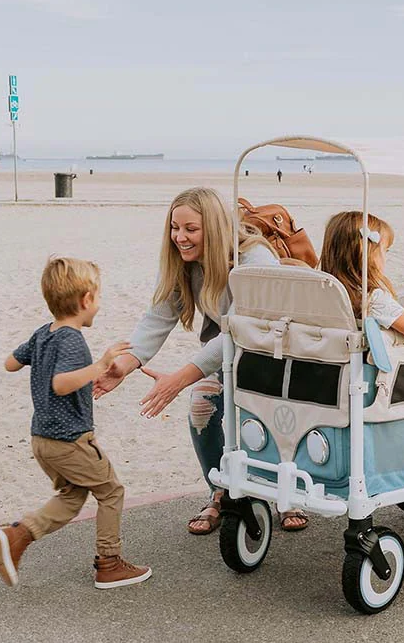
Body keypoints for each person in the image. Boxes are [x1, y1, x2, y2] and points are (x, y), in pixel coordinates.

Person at [92, 187, 309, 534]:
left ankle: (288, 493)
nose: (180, 237)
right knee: (201, 408)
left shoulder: (254, 259)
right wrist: (126, 364)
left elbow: (239, 329)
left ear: (215, 228)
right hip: (227, 354)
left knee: (270, 419)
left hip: (276, 353)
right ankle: (220, 491)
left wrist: (179, 379)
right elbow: (158, 316)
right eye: (175, 228)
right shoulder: (182, 262)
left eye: (191, 229)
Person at [0, 257, 152, 589]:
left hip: (42, 439)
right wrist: (100, 365)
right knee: (111, 491)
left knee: (72, 495)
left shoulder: (43, 333)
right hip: (70, 440)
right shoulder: (72, 339)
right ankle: (109, 564)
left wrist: (48, 362)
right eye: (98, 296)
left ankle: (18, 536)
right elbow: (61, 383)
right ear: (86, 299)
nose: (99, 304)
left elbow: (10, 363)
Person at [320, 210, 404, 337]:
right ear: (367, 254)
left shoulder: (332, 293)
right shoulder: (372, 298)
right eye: (386, 251)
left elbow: (389, 317)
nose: (386, 257)